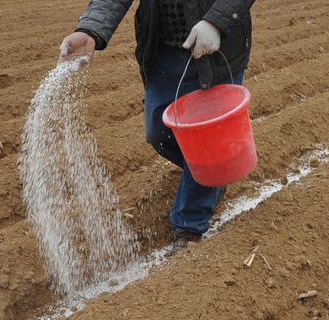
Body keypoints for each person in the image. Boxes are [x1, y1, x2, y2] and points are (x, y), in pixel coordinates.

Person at [59, 0, 254, 254]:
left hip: (215, 48)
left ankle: (189, 227)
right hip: (163, 50)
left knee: (205, 139)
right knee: (158, 132)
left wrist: (216, 21)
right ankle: (212, 176)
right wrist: (90, 30)